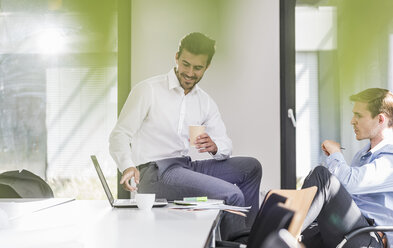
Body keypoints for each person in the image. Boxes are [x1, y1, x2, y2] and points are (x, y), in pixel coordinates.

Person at [109, 32, 262, 238]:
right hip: (155, 172)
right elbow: (119, 134)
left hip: (184, 166)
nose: (189, 73)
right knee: (232, 194)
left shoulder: (204, 101)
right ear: (176, 58)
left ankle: (250, 238)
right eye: (185, 64)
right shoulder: (148, 90)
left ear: (206, 67)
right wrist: (127, 165)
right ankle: (237, 243)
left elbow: (225, 143)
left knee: (251, 167)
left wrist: (215, 146)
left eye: (197, 68)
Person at [301, 88, 393, 248]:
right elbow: (345, 193)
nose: (352, 121)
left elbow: (350, 183)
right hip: (347, 228)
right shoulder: (362, 155)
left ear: (380, 120)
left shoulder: (390, 158)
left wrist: (335, 154)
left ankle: (287, 233)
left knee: (321, 176)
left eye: (358, 115)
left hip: (367, 238)